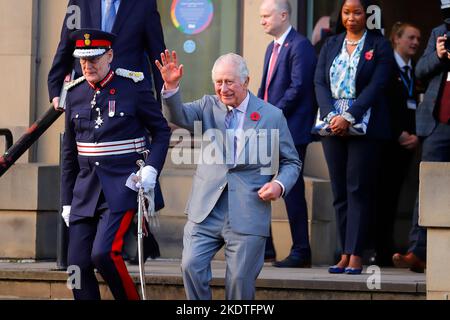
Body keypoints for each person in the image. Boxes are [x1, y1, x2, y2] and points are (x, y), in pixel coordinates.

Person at [156, 50, 301, 299]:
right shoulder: (207, 106)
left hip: (248, 209)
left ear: (245, 81)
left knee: (239, 283)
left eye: (229, 82)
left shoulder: (271, 115)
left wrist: (278, 184)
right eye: (219, 82)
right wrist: (171, 86)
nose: (223, 88)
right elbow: (176, 116)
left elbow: (291, 162)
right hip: (206, 209)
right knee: (190, 265)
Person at [48, 0, 167, 263]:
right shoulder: (79, 2)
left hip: (131, 96)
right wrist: (56, 86)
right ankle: (117, 240)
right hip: (89, 90)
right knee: (90, 159)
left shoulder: (143, 3)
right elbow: (68, 43)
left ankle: (140, 233)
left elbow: (156, 48)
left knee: (136, 161)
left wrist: (166, 98)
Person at [61, 29, 171, 300]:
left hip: (121, 187)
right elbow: (69, 154)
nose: (88, 66)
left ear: (110, 55)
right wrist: (66, 200)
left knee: (104, 253)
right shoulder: (74, 93)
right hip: (84, 192)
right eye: (83, 60)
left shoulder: (132, 87)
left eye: (95, 59)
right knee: (76, 264)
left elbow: (161, 132)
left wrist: (151, 169)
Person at [314, 0, 393, 274]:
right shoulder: (331, 44)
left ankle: (357, 252)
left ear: (367, 15)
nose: (351, 18)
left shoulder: (379, 45)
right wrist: (332, 115)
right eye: (347, 12)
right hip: (332, 123)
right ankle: (343, 253)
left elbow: (378, 84)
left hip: (365, 124)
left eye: (357, 12)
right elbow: (320, 82)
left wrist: (350, 116)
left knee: (358, 188)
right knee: (339, 191)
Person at [258, 0, 317, 268]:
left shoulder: (301, 46)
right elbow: (265, 89)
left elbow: (298, 87)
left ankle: (301, 251)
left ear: (283, 15)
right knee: (255, 184)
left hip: (291, 131)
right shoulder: (272, 47)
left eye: (267, 16)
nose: (262, 21)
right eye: (260, 17)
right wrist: (255, 114)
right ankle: (266, 248)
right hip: (268, 128)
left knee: (290, 190)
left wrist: (269, 114)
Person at [392, 0, 450, 273]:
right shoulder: (441, 31)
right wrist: (438, 56)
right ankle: (418, 251)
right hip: (438, 123)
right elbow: (420, 71)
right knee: (427, 188)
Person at [373, 22, 421, 266]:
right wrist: (398, 133)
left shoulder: (414, 70)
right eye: (410, 38)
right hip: (387, 144)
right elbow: (381, 104)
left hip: (408, 146)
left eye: (418, 39)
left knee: (395, 198)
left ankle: (387, 249)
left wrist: (415, 136)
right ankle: (379, 251)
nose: (415, 43)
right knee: (382, 198)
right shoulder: (387, 67)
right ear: (396, 39)